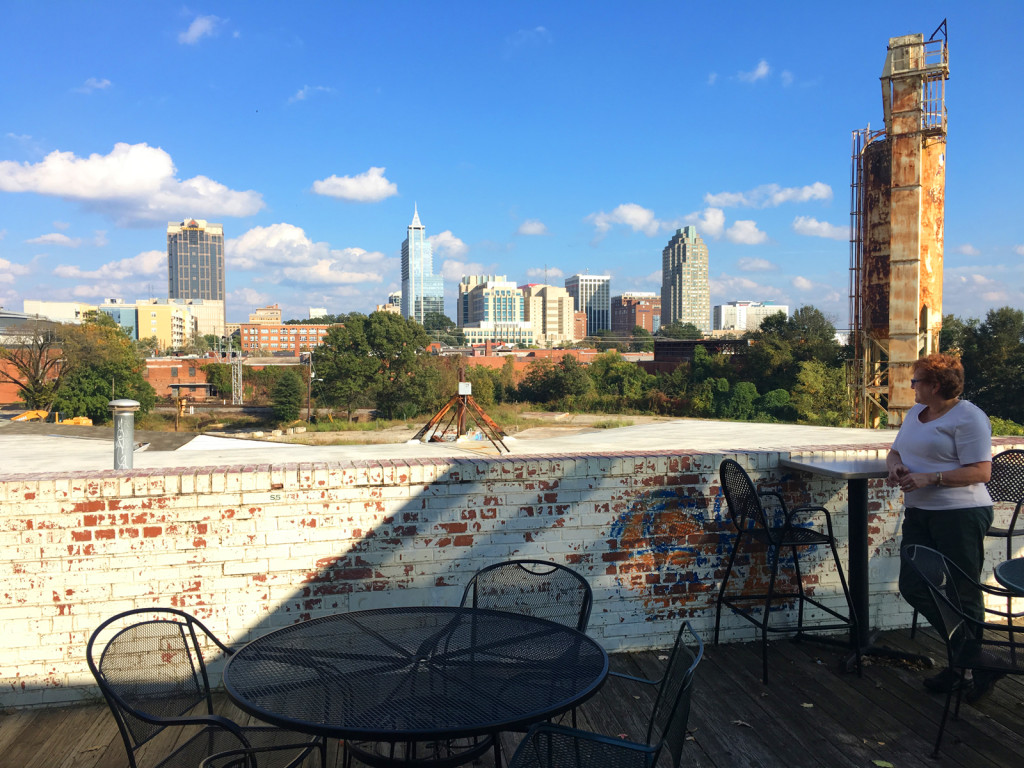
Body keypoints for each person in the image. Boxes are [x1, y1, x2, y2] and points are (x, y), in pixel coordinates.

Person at [886, 353, 997, 700]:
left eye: (916, 380)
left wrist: (931, 477)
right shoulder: (914, 415)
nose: (911, 385)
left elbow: (981, 472)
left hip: (960, 516)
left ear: (935, 386)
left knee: (963, 592)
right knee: (914, 586)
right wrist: (896, 468)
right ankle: (974, 658)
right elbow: (896, 453)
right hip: (919, 514)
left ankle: (963, 668)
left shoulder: (969, 418)